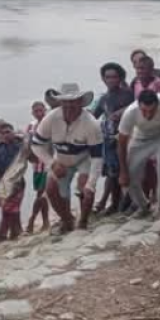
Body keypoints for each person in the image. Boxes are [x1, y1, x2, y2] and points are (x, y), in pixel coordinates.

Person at [31, 83, 104, 233]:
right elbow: (36, 145)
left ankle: (83, 221)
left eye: (73, 101)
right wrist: (52, 163)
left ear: (80, 102)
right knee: (51, 190)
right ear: (60, 102)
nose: (69, 105)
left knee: (85, 188)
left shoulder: (91, 124)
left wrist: (91, 183)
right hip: (62, 158)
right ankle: (67, 220)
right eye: (65, 101)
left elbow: (97, 157)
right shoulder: (51, 118)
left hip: (84, 157)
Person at [91, 63, 135, 216]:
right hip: (109, 140)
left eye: (114, 77)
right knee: (112, 173)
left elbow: (137, 107)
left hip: (127, 137)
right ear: (103, 79)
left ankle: (130, 201)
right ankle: (115, 203)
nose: (110, 80)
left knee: (130, 170)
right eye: (107, 77)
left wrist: (123, 111)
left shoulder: (128, 94)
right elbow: (92, 117)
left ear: (120, 78)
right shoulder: (103, 98)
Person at [0, 119, 26, 245]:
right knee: (8, 209)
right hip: (3, 183)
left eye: (8, 132)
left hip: (17, 183)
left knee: (9, 209)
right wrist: (0, 183)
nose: (5, 134)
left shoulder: (19, 145)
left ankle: (2, 235)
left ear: (12, 132)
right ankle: (15, 232)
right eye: (3, 133)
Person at [26, 101, 51, 234]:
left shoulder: (49, 123)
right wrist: (29, 156)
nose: (39, 113)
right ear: (33, 113)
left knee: (42, 193)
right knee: (41, 194)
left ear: (45, 110)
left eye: (41, 110)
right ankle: (45, 221)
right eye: (36, 111)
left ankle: (31, 220)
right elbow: (27, 144)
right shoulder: (31, 126)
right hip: (37, 165)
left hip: (49, 163)